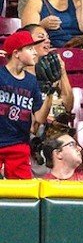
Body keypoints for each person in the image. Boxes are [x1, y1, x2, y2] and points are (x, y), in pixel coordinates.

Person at [0, 30, 51, 180]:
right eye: (29, 48)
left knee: (22, 193)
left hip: (19, 144)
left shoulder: (31, 81)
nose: (35, 52)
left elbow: (40, 117)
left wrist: (50, 93)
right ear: (16, 53)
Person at [23, 23, 73, 140]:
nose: (47, 41)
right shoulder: (21, 76)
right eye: (41, 37)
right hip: (35, 135)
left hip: (58, 132)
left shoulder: (53, 69)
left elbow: (68, 105)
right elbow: (32, 127)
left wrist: (62, 71)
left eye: (48, 38)